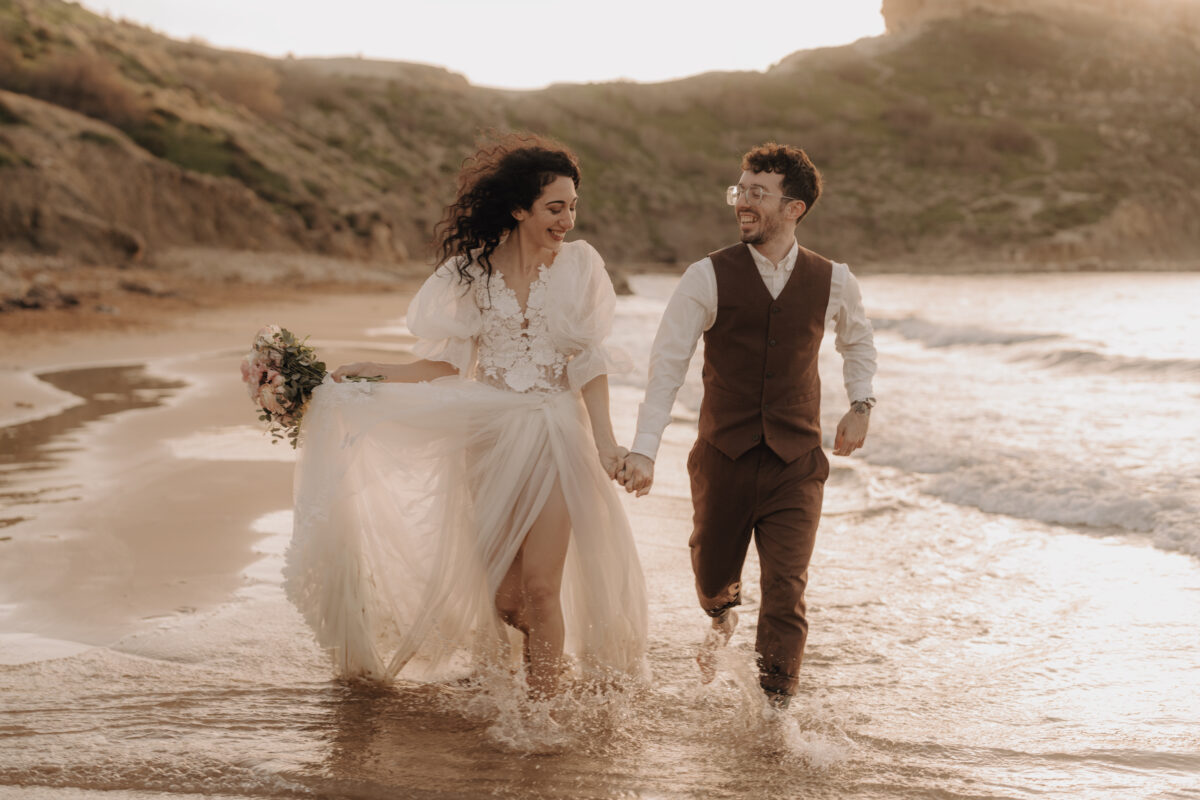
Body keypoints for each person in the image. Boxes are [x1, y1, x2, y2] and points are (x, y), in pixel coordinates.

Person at [284, 133, 647, 697]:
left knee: (542, 589)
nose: (568, 219)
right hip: (489, 437)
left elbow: (588, 362)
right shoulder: (470, 274)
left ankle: (542, 714)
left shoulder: (579, 266)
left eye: (573, 206)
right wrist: (367, 370)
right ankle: (548, 670)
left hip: (556, 432)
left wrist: (605, 444)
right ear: (519, 208)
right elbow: (443, 365)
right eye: (556, 207)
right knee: (505, 598)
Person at [618, 142, 876, 709]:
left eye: (759, 192)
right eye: (740, 190)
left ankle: (775, 712)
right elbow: (667, 367)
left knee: (786, 589)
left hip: (796, 464)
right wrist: (644, 450)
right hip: (723, 458)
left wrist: (861, 405)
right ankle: (719, 612)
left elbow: (857, 342)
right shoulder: (705, 276)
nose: (743, 202)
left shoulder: (834, 280)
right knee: (713, 576)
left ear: (794, 208)